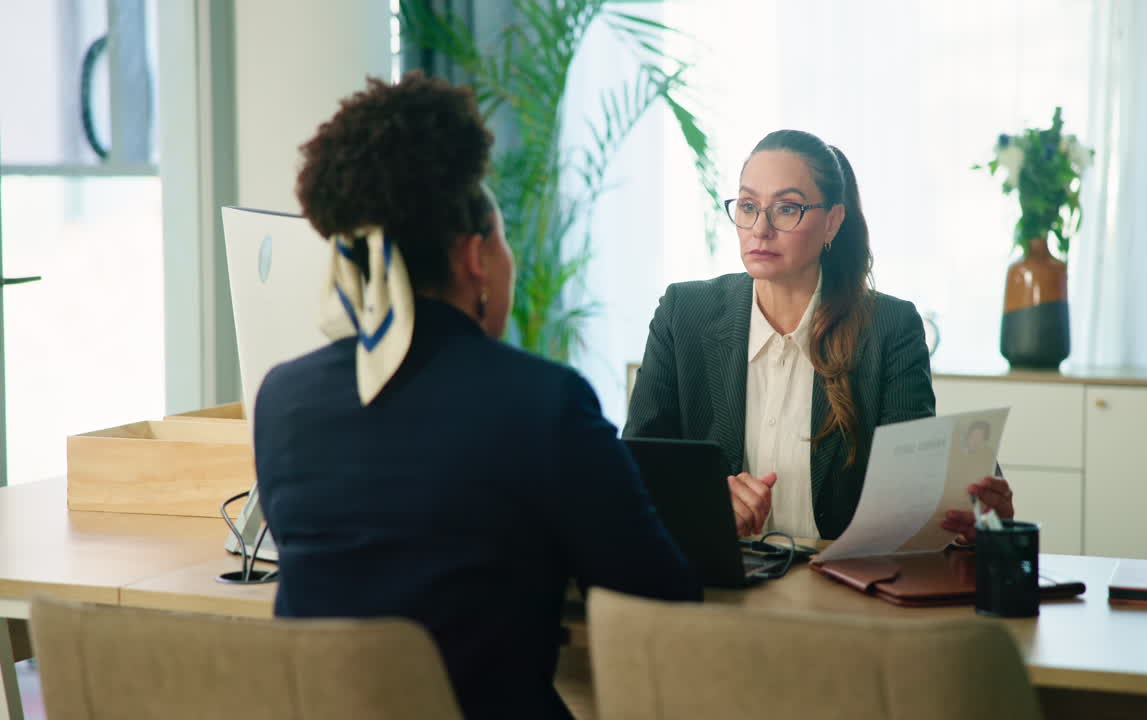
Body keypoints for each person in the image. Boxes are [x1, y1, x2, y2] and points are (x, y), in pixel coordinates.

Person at [253, 72, 699, 720]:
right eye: (504, 239)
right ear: (474, 257)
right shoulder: (544, 403)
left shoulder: (281, 399)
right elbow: (661, 599)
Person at [624, 129, 1012, 542]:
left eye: (787, 208)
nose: (760, 228)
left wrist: (973, 513)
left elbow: (911, 493)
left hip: (839, 589)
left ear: (832, 221)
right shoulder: (683, 313)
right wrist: (703, 503)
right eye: (749, 206)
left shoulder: (889, 327)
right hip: (717, 582)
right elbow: (636, 474)